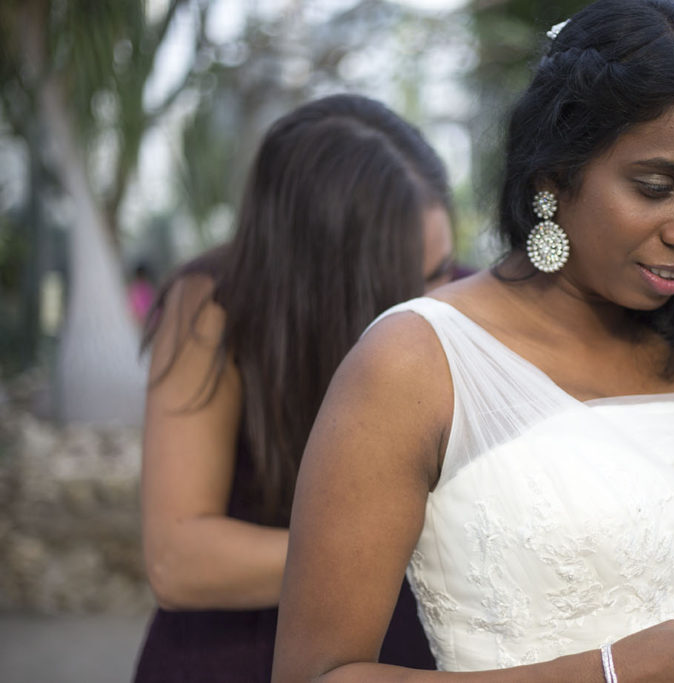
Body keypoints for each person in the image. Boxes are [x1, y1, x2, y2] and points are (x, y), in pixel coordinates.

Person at [273, 1, 674, 681]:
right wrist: (608, 673)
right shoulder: (416, 362)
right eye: (656, 187)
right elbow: (315, 673)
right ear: (553, 175)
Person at [133, 93, 455, 682]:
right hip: (244, 649)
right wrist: (377, 547)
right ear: (329, 277)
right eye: (415, 279)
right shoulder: (213, 306)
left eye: (446, 269)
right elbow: (177, 559)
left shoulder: (461, 299)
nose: (441, 301)